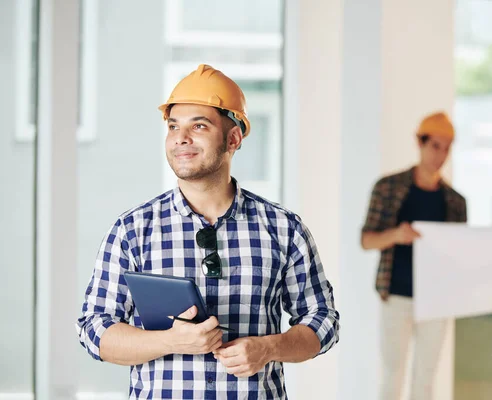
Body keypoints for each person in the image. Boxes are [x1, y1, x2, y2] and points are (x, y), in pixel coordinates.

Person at [76, 64, 340, 399]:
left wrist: (269, 348)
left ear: (233, 138)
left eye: (198, 126)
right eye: (173, 127)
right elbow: (94, 330)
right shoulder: (132, 230)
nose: (181, 138)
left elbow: (323, 321)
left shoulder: (284, 229)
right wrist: (169, 341)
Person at [361, 111, 467, 400]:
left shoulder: (455, 201)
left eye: (447, 147)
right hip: (396, 294)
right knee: (391, 376)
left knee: (426, 380)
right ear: (420, 143)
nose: (441, 154)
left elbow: (459, 254)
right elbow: (367, 240)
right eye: (435, 145)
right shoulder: (388, 187)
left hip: (437, 299)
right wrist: (397, 234)